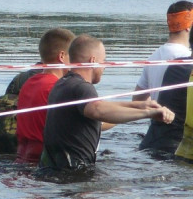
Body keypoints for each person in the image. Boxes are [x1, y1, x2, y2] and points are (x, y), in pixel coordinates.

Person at [41, 35, 174, 171]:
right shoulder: (82, 87)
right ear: (93, 61)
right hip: (72, 174)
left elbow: (100, 116)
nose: (105, 67)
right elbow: (98, 110)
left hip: (53, 169)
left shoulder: (62, 84)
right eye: (103, 61)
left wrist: (139, 105)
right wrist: (148, 113)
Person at [15, 28, 75, 163]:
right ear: (62, 57)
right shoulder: (58, 88)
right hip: (43, 163)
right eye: (72, 56)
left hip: (21, 158)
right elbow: (89, 121)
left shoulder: (28, 83)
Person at [133, 0, 192, 102]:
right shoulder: (187, 58)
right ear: (188, 27)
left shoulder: (153, 58)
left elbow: (137, 100)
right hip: (182, 117)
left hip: (158, 117)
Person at [138, 62, 192, 154]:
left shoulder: (176, 65)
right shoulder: (188, 70)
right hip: (177, 149)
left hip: (150, 142)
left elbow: (137, 99)